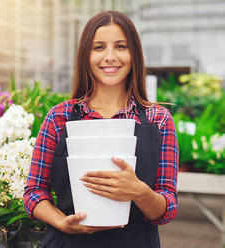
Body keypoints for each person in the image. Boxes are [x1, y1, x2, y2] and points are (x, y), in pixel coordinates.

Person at [23, 10, 178, 248]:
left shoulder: (159, 120)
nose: (109, 56)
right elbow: (34, 193)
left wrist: (139, 192)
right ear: (86, 55)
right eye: (98, 47)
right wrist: (62, 222)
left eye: (120, 46)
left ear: (134, 54)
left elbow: (166, 208)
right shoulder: (59, 117)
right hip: (68, 243)